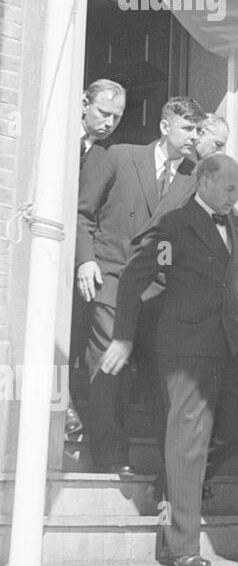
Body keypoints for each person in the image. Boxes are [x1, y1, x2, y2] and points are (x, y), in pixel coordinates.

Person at [99, 155, 238, 566]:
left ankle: (175, 486)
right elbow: (135, 278)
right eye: (229, 188)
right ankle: (182, 546)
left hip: (223, 342)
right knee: (188, 439)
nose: (236, 197)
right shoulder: (174, 225)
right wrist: (124, 337)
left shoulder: (232, 222)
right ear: (203, 182)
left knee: (231, 432)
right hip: (183, 346)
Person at [75, 96, 203, 476]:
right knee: (109, 365)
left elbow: (176, 240)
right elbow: (84, 212)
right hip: (110, 277)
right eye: (187, 129)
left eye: (198, 130)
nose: (194, 137)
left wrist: (163, 270)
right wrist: (85, 259)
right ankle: (112, 457)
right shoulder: (120, 156)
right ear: (165, 127)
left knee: (158, 377)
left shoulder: (196, 177)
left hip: (156, 291)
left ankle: (171, 470)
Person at [69, 80, 128, 449]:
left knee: (73, 344)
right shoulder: (63, 139)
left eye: (117, 117)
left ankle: (68, 417)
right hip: (51, 255)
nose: (109, 122)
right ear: (84, 103)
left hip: (82, 266)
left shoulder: (104, 155)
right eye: (103, 113)